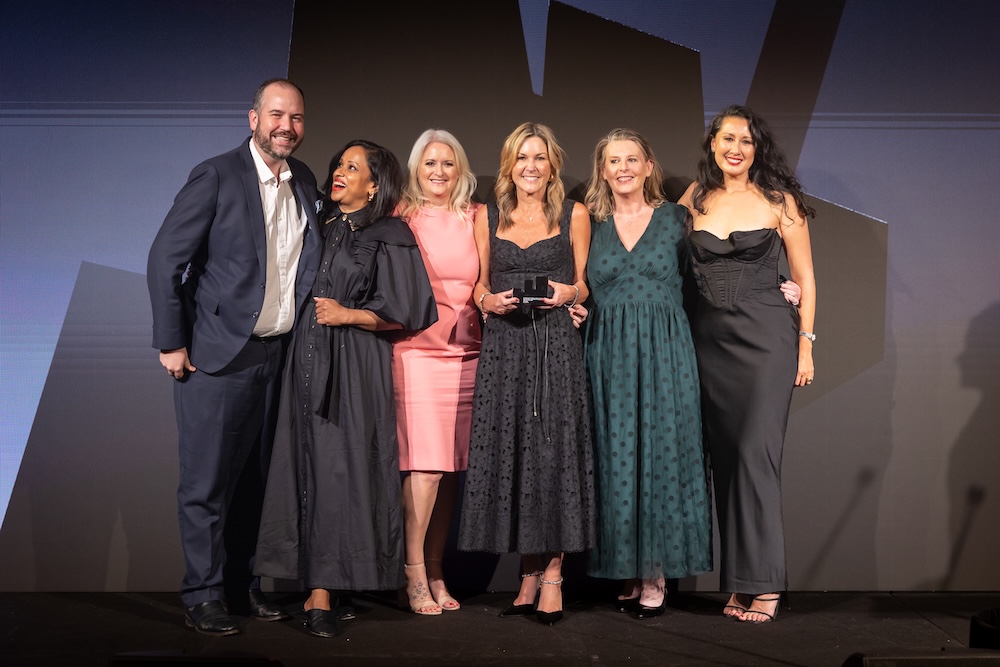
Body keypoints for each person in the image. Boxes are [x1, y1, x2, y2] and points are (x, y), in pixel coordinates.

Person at [146, 78, 321, 635]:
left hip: (277, 357)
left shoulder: (304, 180)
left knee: (256, 484)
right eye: (276, 115)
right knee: (206, 485)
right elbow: (164, 259)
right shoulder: (217, 175)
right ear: (253, 119)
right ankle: (203, 594)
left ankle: (244, 588)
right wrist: (172, 341)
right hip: (217, 357)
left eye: (295, 118)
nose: (285, 127)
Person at [253, 139, 437, 638]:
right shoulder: (321, 224)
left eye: (352, 168)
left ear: (374, 185)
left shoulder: (390, 234)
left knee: (341, 471)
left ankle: (325, 592)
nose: (339, 171)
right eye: (339, 164)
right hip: (304, 359)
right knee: (300, 463)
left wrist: (348, 315)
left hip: (355, 363)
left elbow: (410, 310)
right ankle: (316, 584)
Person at [678, 104, 817, 624]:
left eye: (746, 140)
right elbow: (663, 261)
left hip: (766, 343)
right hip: (707, 344)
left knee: (757, 457)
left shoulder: (780, 201)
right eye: (727, 138)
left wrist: (806, 345)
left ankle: (766, 583)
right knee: (728, 461)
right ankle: (740, 581)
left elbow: (806, 277)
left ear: (757, 149)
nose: (735, 148)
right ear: (712, 144)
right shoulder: (693, 198)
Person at [457, 122, 596, 626]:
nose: (530, 167)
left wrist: (567, 294)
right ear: (509, 165)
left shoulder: (574, 213)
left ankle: (553, 574)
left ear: (553, 166)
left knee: (553, 454)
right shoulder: (488, 215)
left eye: (539, 157)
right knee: (516, 453)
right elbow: (478, 285)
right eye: (521, 157)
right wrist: (488, 301)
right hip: (504, 347)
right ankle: (529, 572)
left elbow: (583, 285)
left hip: (555, 345)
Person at [581, 129, 712, 619]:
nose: (623, 168)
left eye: (632, 159)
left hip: (665, 352)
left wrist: (777, 284)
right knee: (616, 455)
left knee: (662, 453)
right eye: (614, 161)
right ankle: (627, 567)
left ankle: (655, 572)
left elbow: (715, 269)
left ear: (649, 166)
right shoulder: (590, 223)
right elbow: (575, 284)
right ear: (603, 170)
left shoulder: (677, 218)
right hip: (608, 353)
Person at [393, 130, 482, 615]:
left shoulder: (476, 216)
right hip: (418, 356)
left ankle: (435, 568)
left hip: (469, 356)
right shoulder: (400, 216)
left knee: (449, 473)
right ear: (416, 168)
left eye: (448, 163)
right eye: (429, 163)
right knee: (425, 470)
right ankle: (411, 571)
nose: (439, 172)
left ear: (460, 169)